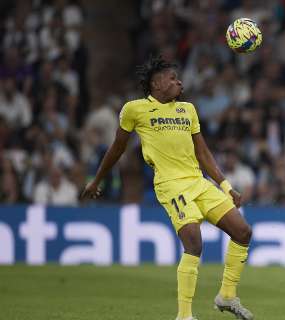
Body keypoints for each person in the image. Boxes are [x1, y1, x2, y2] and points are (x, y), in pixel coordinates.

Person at [81, 56, 254, 320]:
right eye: (173, 78)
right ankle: (184, 316)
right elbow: (117, 147)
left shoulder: (188, 110)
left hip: (199, 182)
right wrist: (97, 179)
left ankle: (227, 296)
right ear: (157, 83)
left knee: (242, 231)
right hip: (171, 185)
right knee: (194, 242)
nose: (179, 82)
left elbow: (203, 152)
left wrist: (226, 185)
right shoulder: (134, 110)